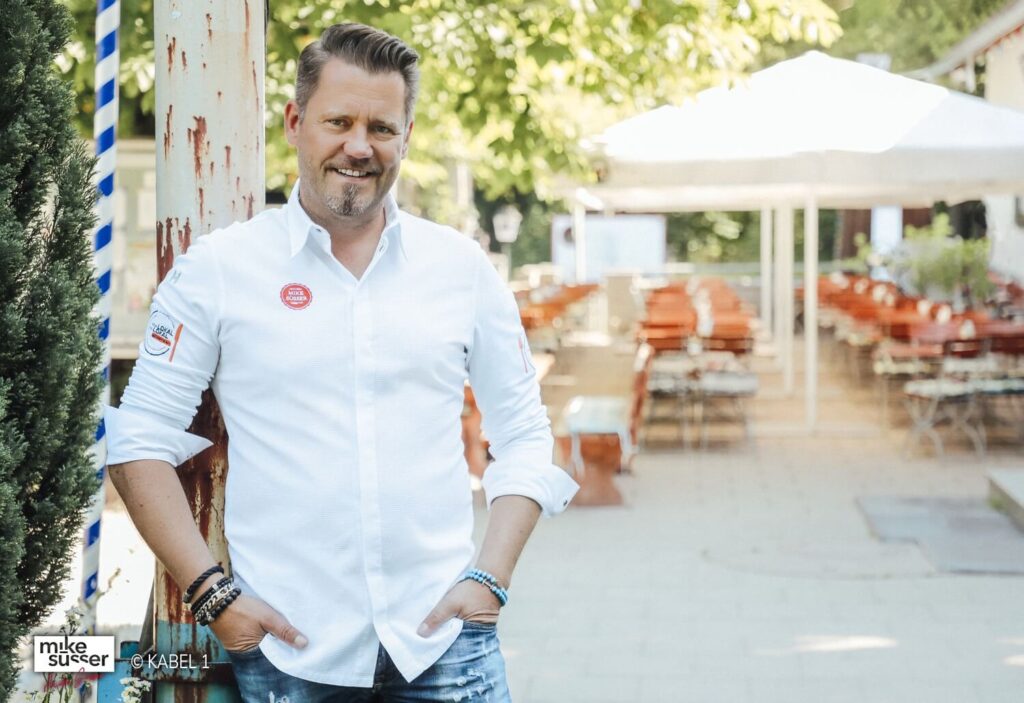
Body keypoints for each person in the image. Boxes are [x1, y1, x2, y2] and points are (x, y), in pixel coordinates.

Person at [105, 22, 578, 702]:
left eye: (381, 127)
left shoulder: (460, 269)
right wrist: (213, 596)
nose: (359, 146)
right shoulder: (222, 269)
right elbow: (137, 440)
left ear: (406, 137)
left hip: (446, 645)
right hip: (290, 653)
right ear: (295, 122)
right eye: (339, 122)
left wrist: (491, 579)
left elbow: (526, 433)